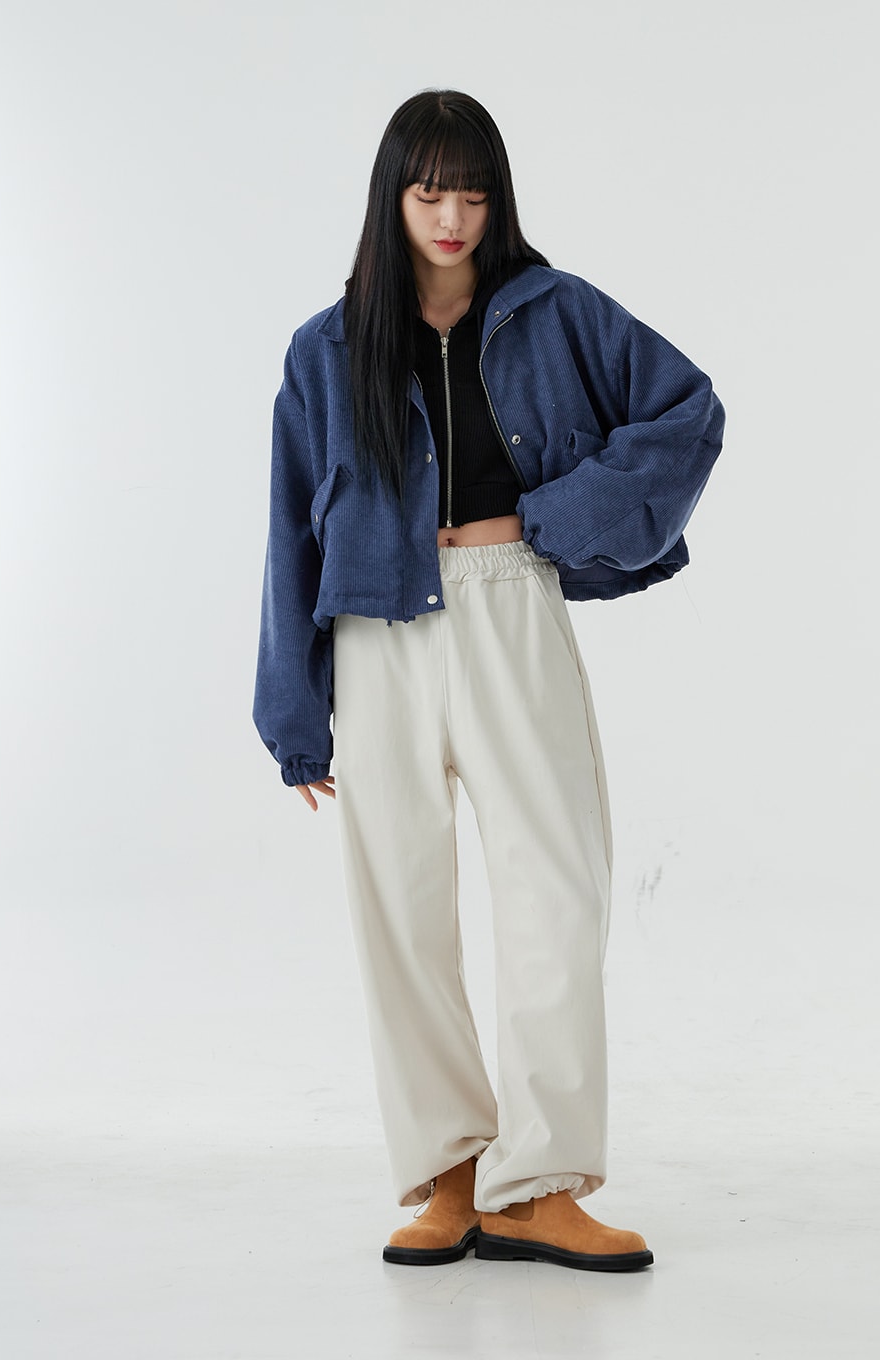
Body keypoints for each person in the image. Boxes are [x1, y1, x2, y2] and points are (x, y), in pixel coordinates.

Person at [254, 89, 724, 1272]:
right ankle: (451, 1177)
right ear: (394, 198)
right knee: (402, 914)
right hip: (378, 634)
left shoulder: (559, 313)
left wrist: (553, 519)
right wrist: (292, 710)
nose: (451, 216)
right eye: (429, 193)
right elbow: (289, 534)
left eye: (470, 192)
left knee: (555, 894)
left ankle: (541, 1185)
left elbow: (687, 411)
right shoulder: (325, 348)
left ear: (495, 197)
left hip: (511, 606)